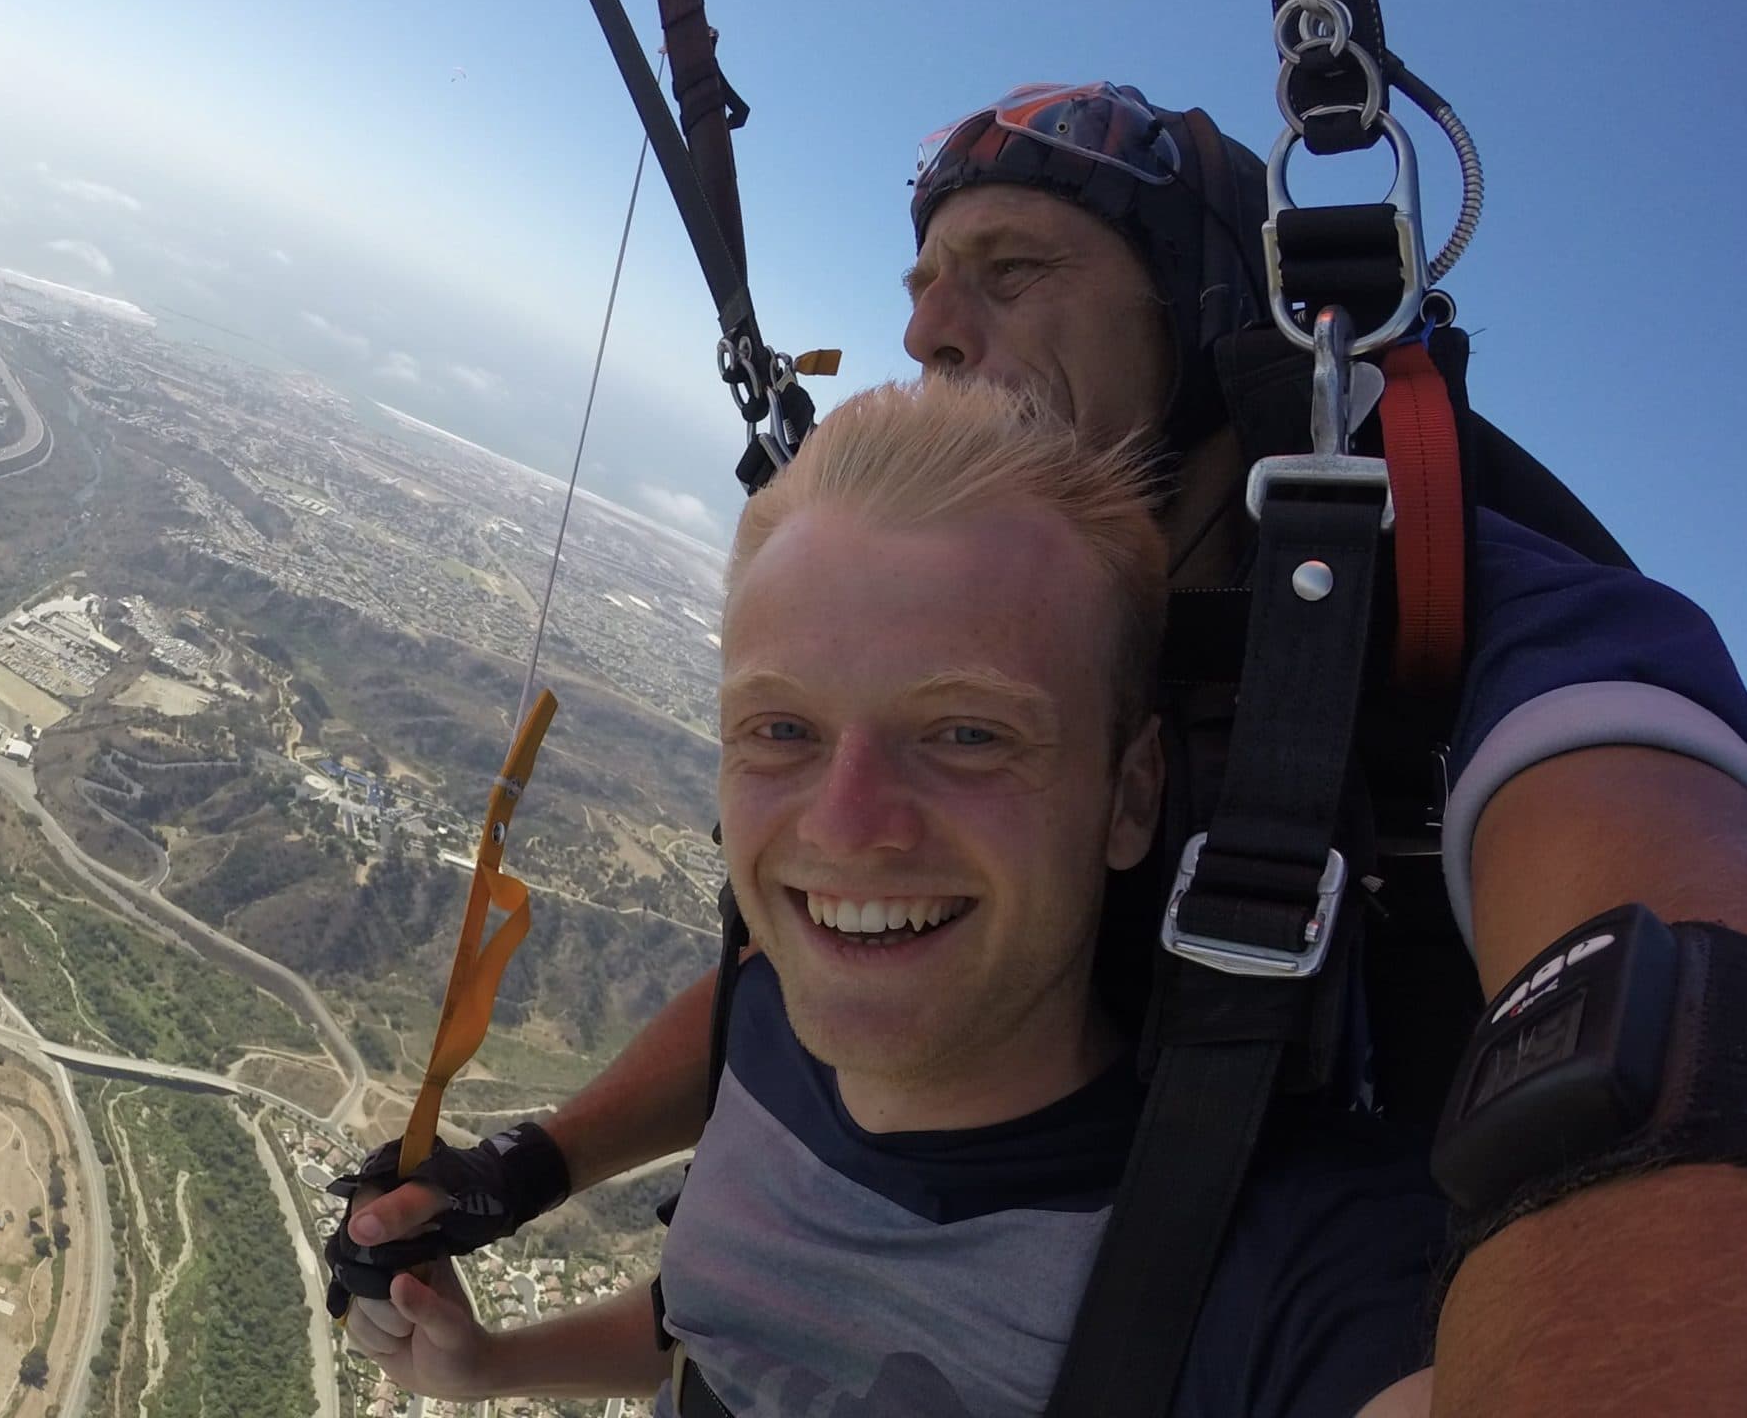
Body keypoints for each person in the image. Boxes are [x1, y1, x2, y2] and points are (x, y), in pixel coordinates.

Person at [330, 84, 1747, 1414]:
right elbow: (768, 1049)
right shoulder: (860, 947)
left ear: (1207, 323)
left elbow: (1662, 1025)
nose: (932, 332)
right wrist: (534, 1170)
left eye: (1011, 272)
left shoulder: (1471, 615)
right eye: (926, 289)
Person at [341, 378, 1445, 1414]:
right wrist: (488, 1367)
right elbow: (722, 1326)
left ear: (1130, 796)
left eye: (968, 734)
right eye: (782, 730)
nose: (846, 824)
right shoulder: (766, 1029)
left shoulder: (1299, 1275)